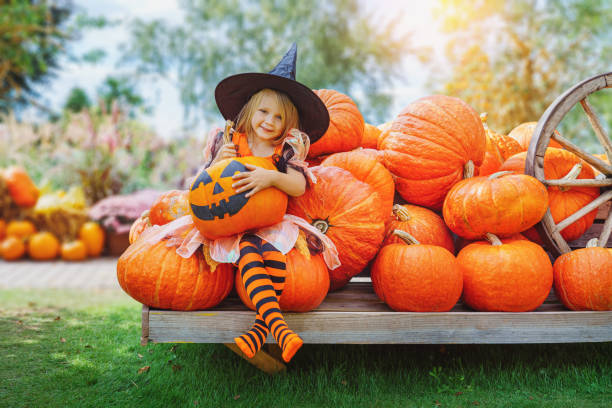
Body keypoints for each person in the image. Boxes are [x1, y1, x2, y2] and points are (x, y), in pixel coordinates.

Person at [202, 43, 334, 363]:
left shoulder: (283, 153)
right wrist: (216, 163)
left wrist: (271, 178)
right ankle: (278, 328)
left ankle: (262, 330)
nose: (270, 121)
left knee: (268, 251)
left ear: (287, 124)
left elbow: (299, 186)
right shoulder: (232, 142)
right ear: (248, 110)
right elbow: (204, 187)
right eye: (263, 111)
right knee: (249, 247)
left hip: (272, 223)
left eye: (279, 117)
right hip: (233, 222)